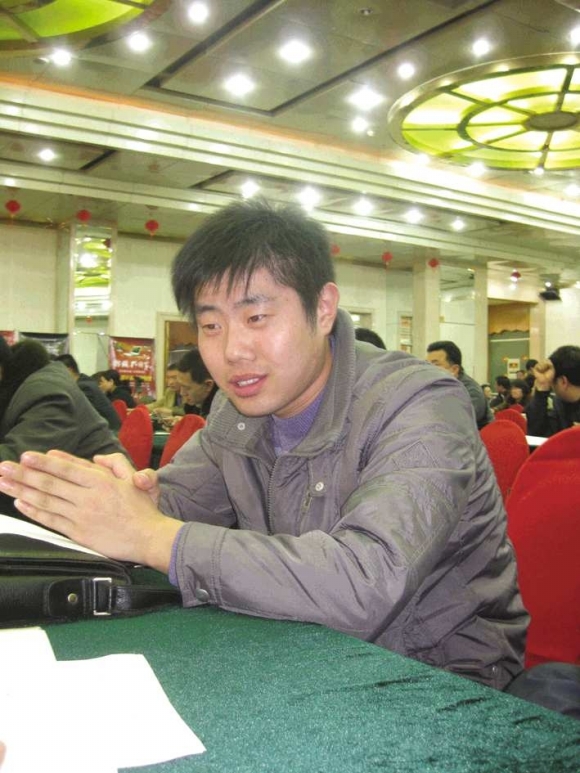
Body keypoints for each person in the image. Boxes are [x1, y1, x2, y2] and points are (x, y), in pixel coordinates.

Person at [0, 200, 527, 690]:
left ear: (323, 309)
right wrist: (128, 499)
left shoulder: (419, 402)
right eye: (210, 325)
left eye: (256, 318)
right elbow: (173, 503)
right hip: (303, 651)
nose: (232, 350)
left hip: (439, 677)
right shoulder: (238, 412)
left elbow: (367, 581)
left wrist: (154, 534)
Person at [426, 341, 493, 429]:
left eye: (435, 365)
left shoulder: (471, 391)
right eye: (426, 364)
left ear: (454, 369)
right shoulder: (436, 387)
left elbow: (458, 422)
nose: (428, 369)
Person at [54, 354, 121, 432]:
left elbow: (77, 415)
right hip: (102, 430)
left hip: (108, 433)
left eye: (56, 372)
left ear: (68, 370)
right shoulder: (84, 381)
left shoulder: (84, 387)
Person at [526, 345, 580, 437]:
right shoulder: (559, 405)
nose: (551, 385)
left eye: (551, 381)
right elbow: (536, 435)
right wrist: (542, 388)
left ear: (563, 381)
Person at [176, 348, 217, 420]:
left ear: (208, 385)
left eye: (187, 388)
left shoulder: (220, 412)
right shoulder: (198, 403)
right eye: (181, 386)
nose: (182, 393)